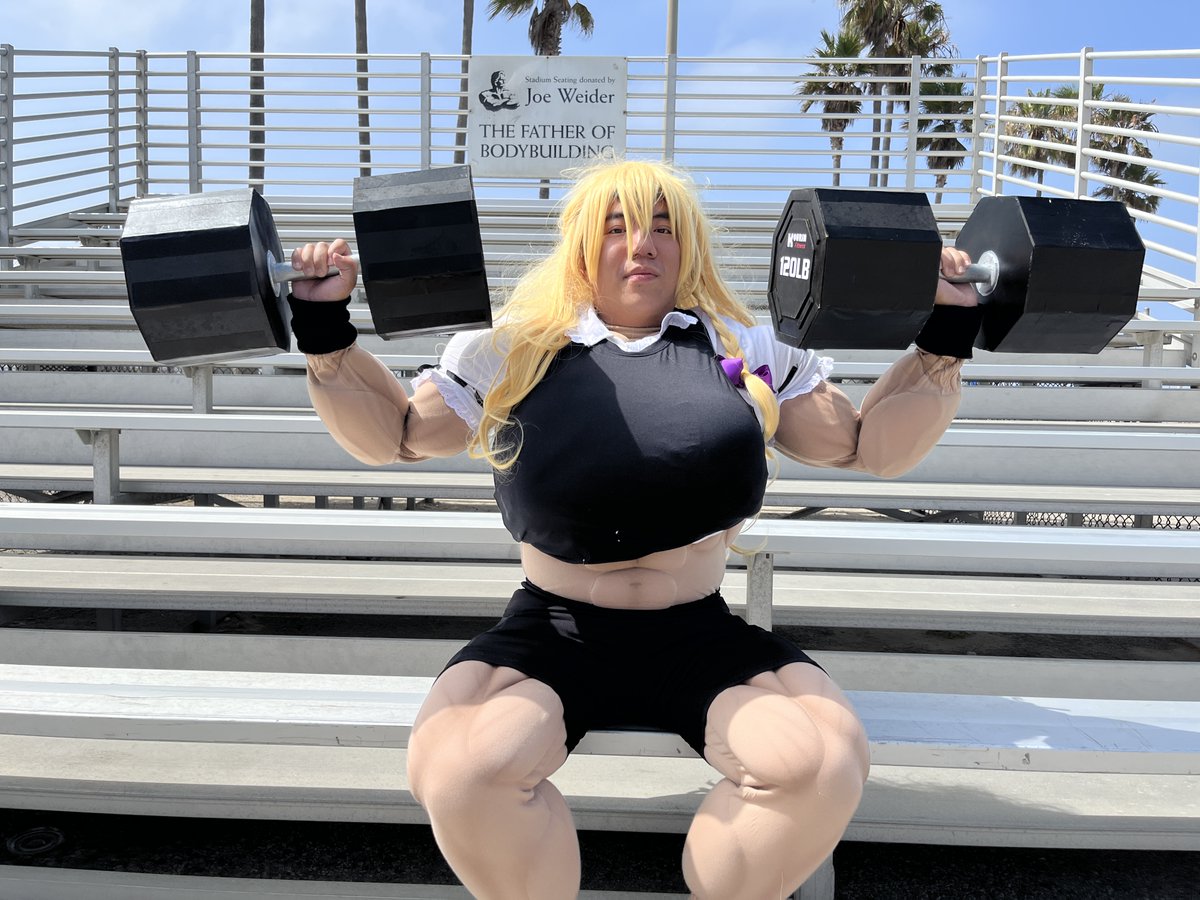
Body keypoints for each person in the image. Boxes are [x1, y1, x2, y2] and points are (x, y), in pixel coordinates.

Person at [286, 158, 982, 900]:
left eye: (663, 228)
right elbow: (396, 436)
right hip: (555, 633)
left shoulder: (746, 347)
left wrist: (947, 329)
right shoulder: (512, 349)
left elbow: (868, 447)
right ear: (583, 246)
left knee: (820, 761)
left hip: (696, 635)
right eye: (617, 227)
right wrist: (325, 326)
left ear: (689, 247)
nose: (642, 244)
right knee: (459, 768)